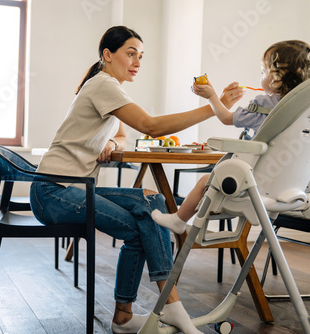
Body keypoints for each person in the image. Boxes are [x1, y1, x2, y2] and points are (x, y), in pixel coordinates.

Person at [30, 26, 243, 334]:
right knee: (140, 227)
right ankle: (162, 310)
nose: (137, 63)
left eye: (140, 56)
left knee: (152, 201)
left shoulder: (108, 86)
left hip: (76, 188)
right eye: (130, 54)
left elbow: (121, 133)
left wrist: (112, 144)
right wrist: (214, 107)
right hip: (53, 191)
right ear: (107, 55)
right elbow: (150, 126)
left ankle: (135, 316)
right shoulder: (103, 84)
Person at [152, 40, 310, 234]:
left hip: (255, 184)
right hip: (294, 186)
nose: (261, 76)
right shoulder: (309, 109)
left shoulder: (265, 104)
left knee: (206, 182)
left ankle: (179, 220)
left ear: (276, 78)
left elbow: (225, 117)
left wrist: (212, 96)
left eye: (263, 71)